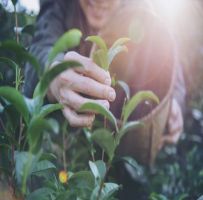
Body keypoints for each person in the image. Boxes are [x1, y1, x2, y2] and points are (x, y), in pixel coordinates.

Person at [24, 0, 185, 156]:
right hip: (73, 141)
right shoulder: (58, 5)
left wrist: (175, 102)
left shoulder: (142, 8)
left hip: (126, 140)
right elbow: (42, 45)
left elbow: (170, 58)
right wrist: (54, 72)